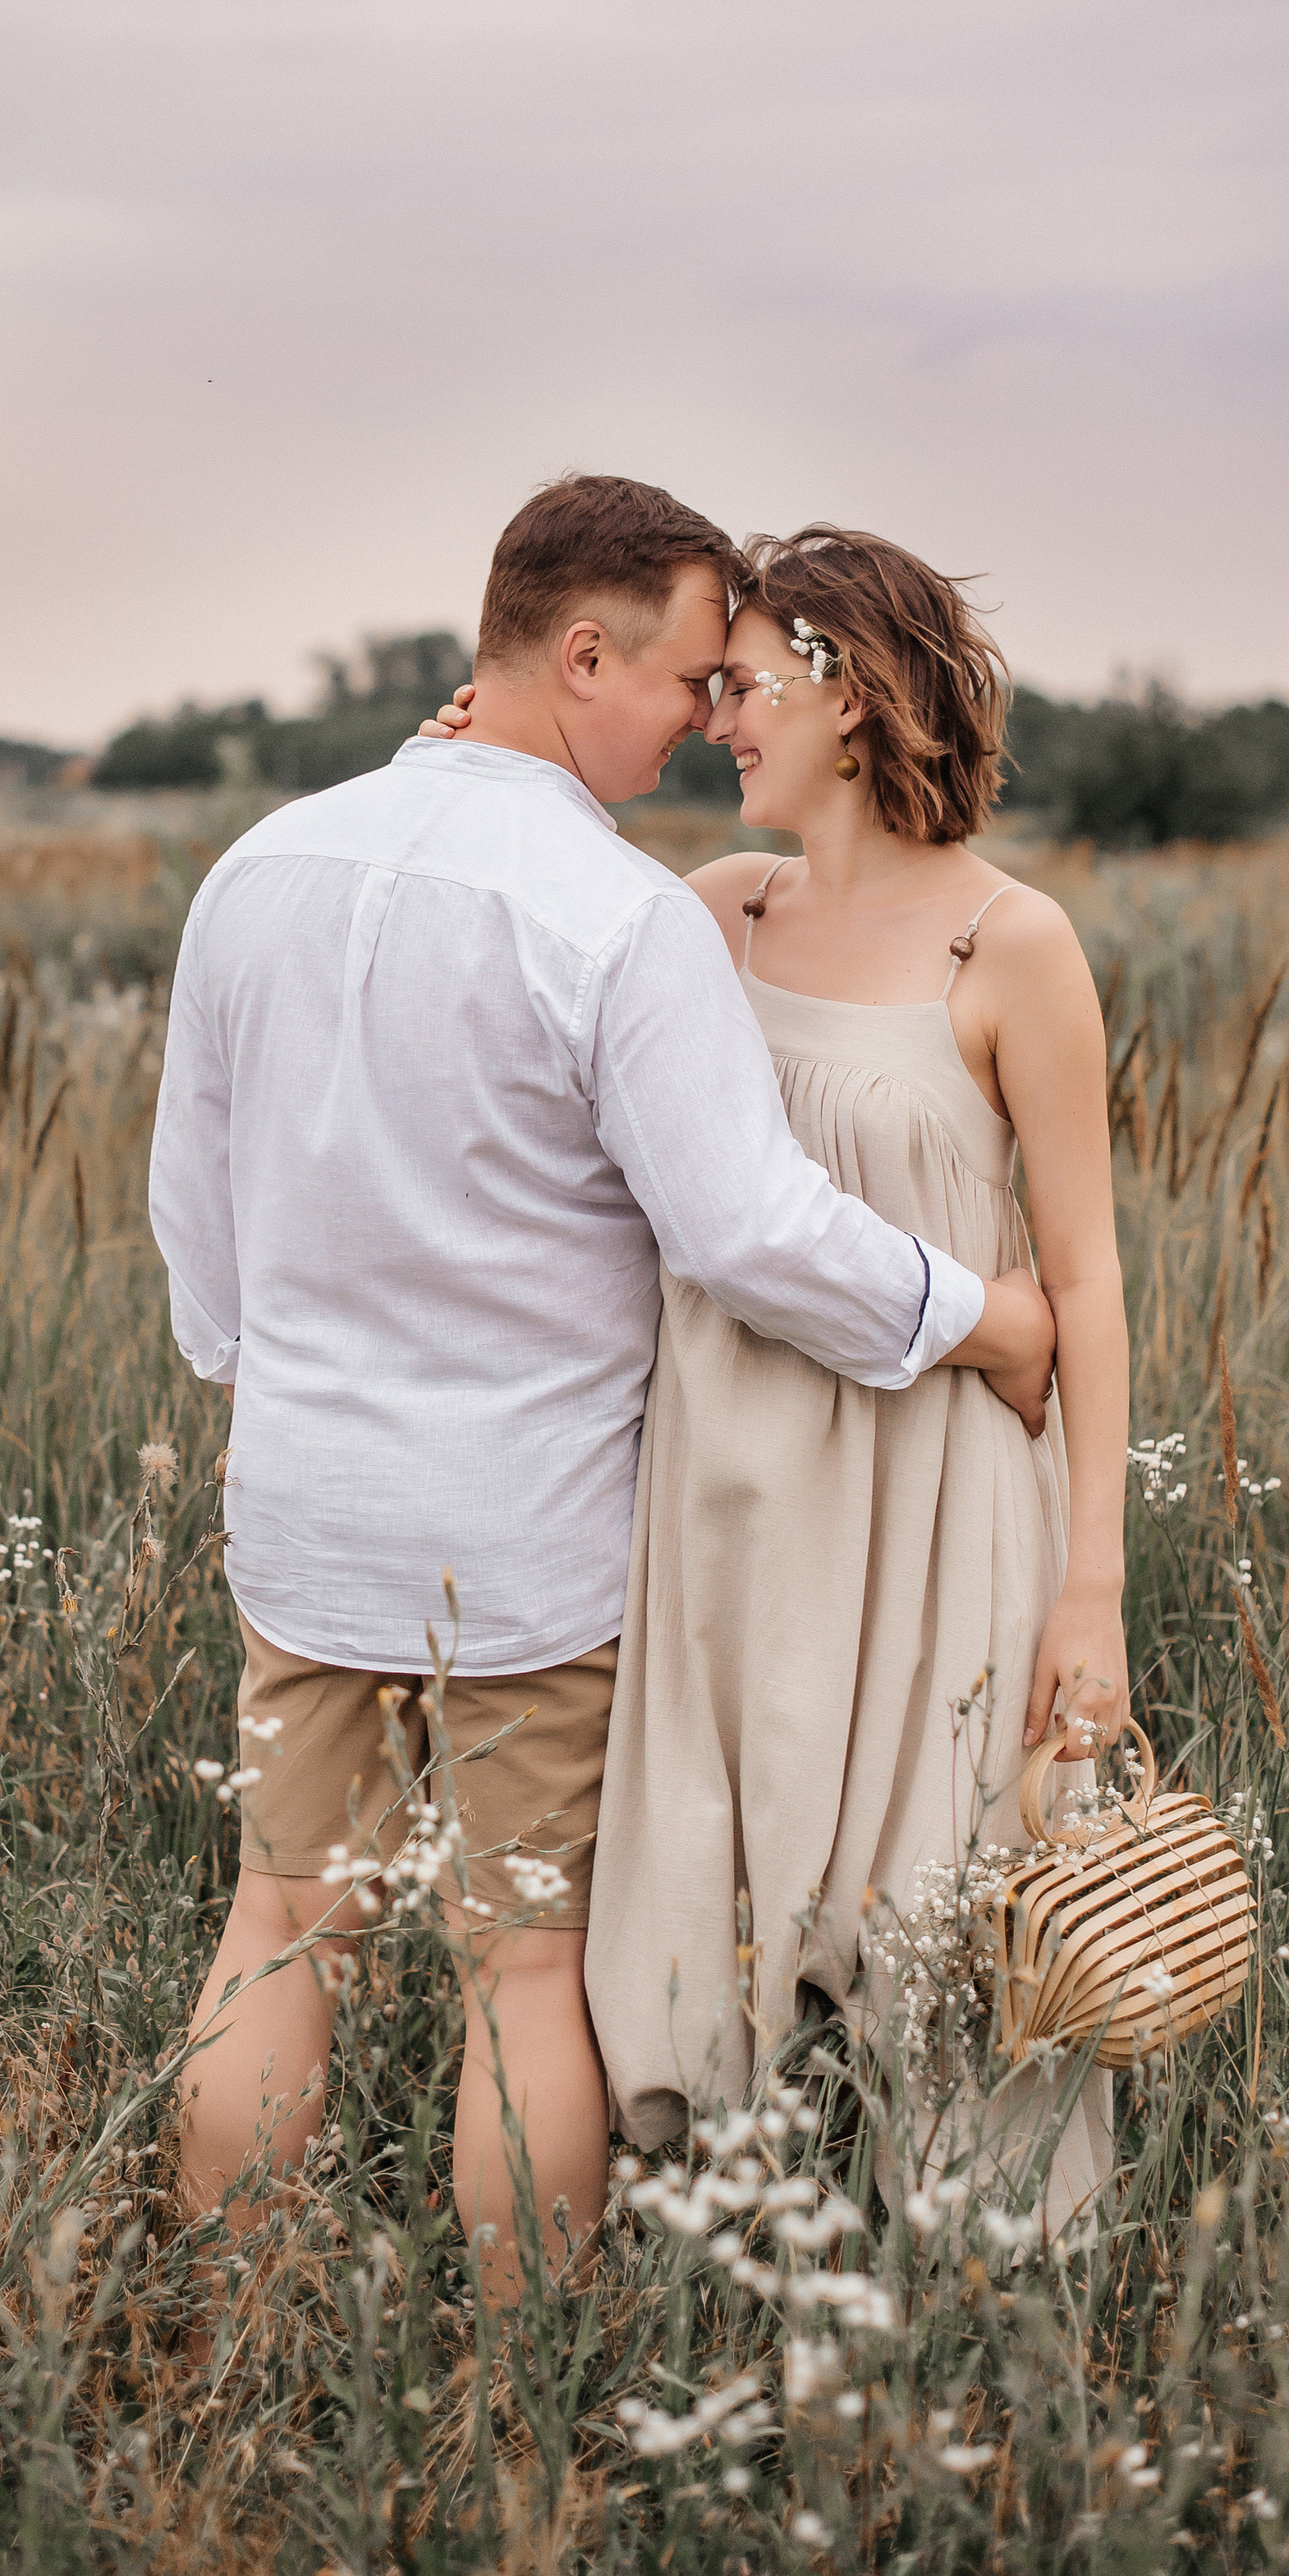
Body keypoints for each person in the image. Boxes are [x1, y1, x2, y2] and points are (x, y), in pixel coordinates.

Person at [148, 476, 1057, 2298]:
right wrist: (980, 1319)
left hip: (305, 1508)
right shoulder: (615, 915)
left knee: (277, 1928)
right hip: (529, 1543)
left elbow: (197, 1222)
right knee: (523, 1972)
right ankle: (521, 2382)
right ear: (580, 652)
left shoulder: (259, 865)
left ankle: (225, 2336)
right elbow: (739, 1227)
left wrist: (291, 1396)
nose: (698, 717)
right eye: (677, 675)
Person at [431, 524, 1126, 2228]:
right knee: (716, 1900)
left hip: (938, 1490)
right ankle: (735, 2257)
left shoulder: (1007, 944)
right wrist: (468, 779)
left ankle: (969, 2319)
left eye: (740, 686)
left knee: (941, 1896)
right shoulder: (713, 914)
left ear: (848, 689)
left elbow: (1087, 1278)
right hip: (727, 1494)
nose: (715, 721)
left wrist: (1090, 1584)